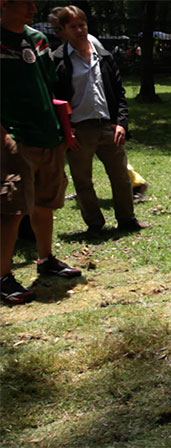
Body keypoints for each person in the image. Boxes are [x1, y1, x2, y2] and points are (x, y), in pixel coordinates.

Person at [1, 0, 82, 304]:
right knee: (12, 209)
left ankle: (45, 259)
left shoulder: (38, 39)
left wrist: (62, 129)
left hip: (49, 134)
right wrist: (5, 137)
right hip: (16, 138)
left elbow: (49, 88)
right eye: (25, 4)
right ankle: (3, 275)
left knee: (45, 202)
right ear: (4, 4)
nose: (32, 9)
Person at [52, 5, 149, 234]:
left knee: (121, 179)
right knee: (83, 181)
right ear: (64, 29)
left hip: (108, 126)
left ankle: (127, 220)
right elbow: (54, 98)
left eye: (82, 25)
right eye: (73, 26)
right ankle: (95, 224)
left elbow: (119, 93)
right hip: (79, 130)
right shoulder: (58, 59)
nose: (79, 30)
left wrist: (121, 124)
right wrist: (67, 130)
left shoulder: (103, 55)